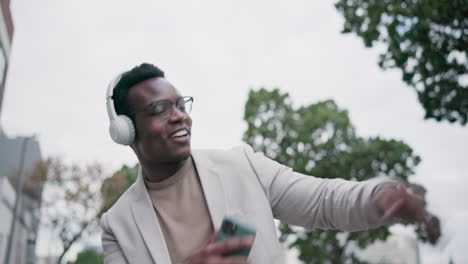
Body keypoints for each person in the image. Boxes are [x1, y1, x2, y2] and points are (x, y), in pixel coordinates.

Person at [101, 63, 440, 264]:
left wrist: (378, 196)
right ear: (126, 130)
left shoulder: (241, 166)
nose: (179, 118)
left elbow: (322, 201)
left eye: (181, 105)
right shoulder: (118, 226)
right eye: (160, 109)